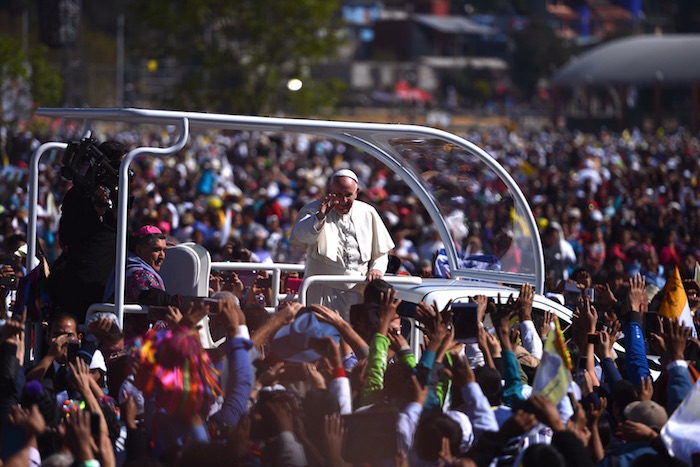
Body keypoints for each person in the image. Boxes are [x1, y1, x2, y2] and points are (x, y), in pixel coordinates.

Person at [290, 169, 394, 318]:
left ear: (356, 192)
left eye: (348, 195)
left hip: (358, 292)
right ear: (330, 190)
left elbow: (381, 252)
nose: (343, 201)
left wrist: (377, 269)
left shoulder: (368, 212)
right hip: (323, 290)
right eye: (338, 195)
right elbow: (301, 238)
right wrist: (319, 218)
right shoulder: (313, 210)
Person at [49, 140, 128, 323]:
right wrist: (96, 211)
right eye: (118, 166)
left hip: (110, 285)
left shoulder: (119, 196)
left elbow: (121, 234)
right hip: (82, 285)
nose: (123, 172)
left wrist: (145, 242)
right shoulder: (79, 195)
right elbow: (67, 235)